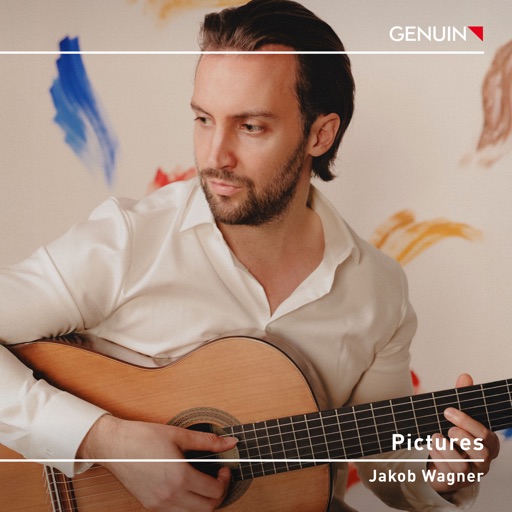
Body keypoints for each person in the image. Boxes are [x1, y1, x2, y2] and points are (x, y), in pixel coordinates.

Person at [0, 0, 500, 511]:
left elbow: (385, 465)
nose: (215, 156)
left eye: (251, 126)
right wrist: (103, 441)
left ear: (320, 134)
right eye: (203, 119)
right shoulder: (130, 240)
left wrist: (443, 475)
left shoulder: (379, 290)